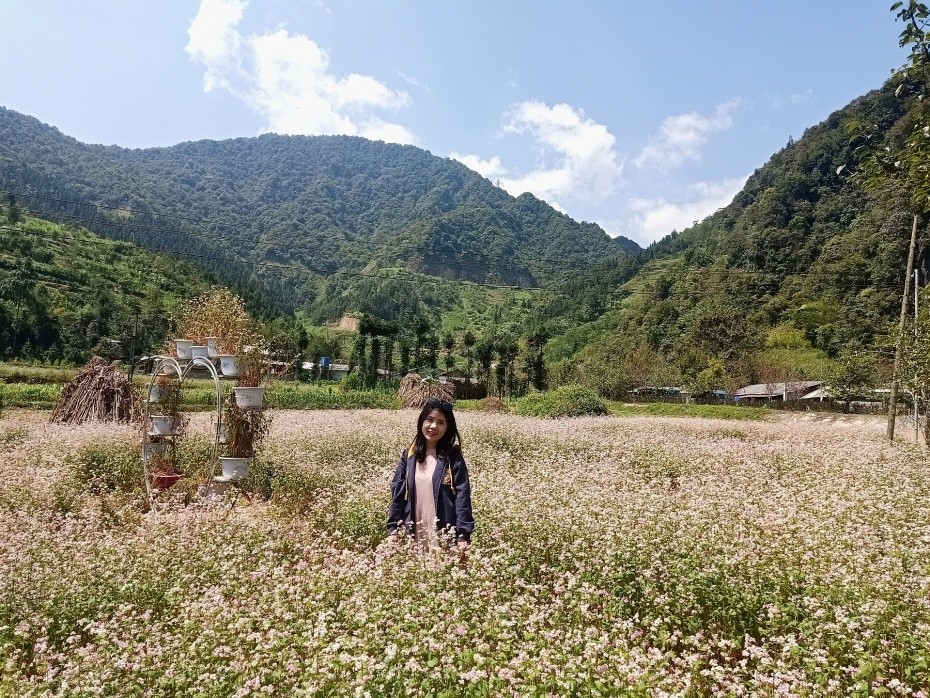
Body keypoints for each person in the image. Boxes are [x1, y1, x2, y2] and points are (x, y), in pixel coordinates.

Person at [387, 398, 474, 552]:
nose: (433, 426)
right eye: (430, 420)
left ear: (447, 427)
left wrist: (463, 534)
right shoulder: (409, 455)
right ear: (422, 421)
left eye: (441, 422)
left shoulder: (452, 457)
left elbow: (462, 494)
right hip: (414, 532)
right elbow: (398, 493)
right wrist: (393, 529)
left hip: (444, 531)